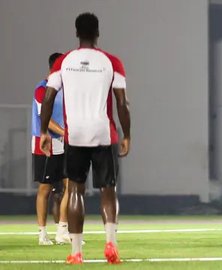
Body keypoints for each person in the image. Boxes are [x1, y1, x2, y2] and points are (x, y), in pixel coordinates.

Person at [39, 12, 131, 264]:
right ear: (98, 32)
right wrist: (127, 135)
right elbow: (122, 103)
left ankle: (76, 252)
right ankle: (111, 244)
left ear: (77, 33)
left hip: (75, 134)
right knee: (108, 191)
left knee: (76, 191)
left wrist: (45, 131)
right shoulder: (112, 61)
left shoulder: (64, 62)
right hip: (104, 133)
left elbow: (47, 98)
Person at [32, 52, 70, 245]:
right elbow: (44, 119)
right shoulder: (41, 89)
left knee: (70, 186)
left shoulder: (65, 89)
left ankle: (62, 231)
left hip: (63, 143)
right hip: (44, 143)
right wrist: (65, 132)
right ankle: (42, 234)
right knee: (45, 189)